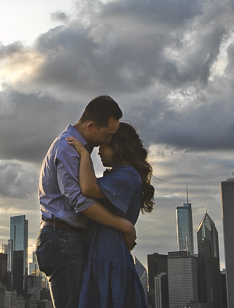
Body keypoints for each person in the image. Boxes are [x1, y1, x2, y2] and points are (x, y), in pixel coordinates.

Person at [36, 96, 137, 308]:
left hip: (66, 238)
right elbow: (78, 201)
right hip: (63, 238)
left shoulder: (79, 150)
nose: (108, 140)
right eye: (107, 134)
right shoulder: (68, 148)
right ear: (91, 126)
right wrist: (123, 225)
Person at [66, 122, 154, 308]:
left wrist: (84, 155)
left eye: (104, 143)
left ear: (118, 146)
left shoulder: (128, 174)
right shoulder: (120, 175)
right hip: (104, 256)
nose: (98, 150)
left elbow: (88, 188)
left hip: (108, 257)